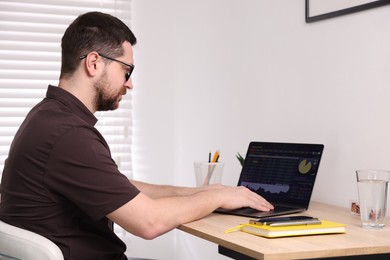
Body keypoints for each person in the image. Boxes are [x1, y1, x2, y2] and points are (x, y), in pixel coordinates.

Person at [0, 12, 273, 260]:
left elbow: (119, 187)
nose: (129, 83)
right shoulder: (69, 135)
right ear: (94, 63)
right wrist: (218, 199)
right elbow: (149, 222)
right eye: (126, 70)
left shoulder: (48, 116)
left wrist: (202, 191)